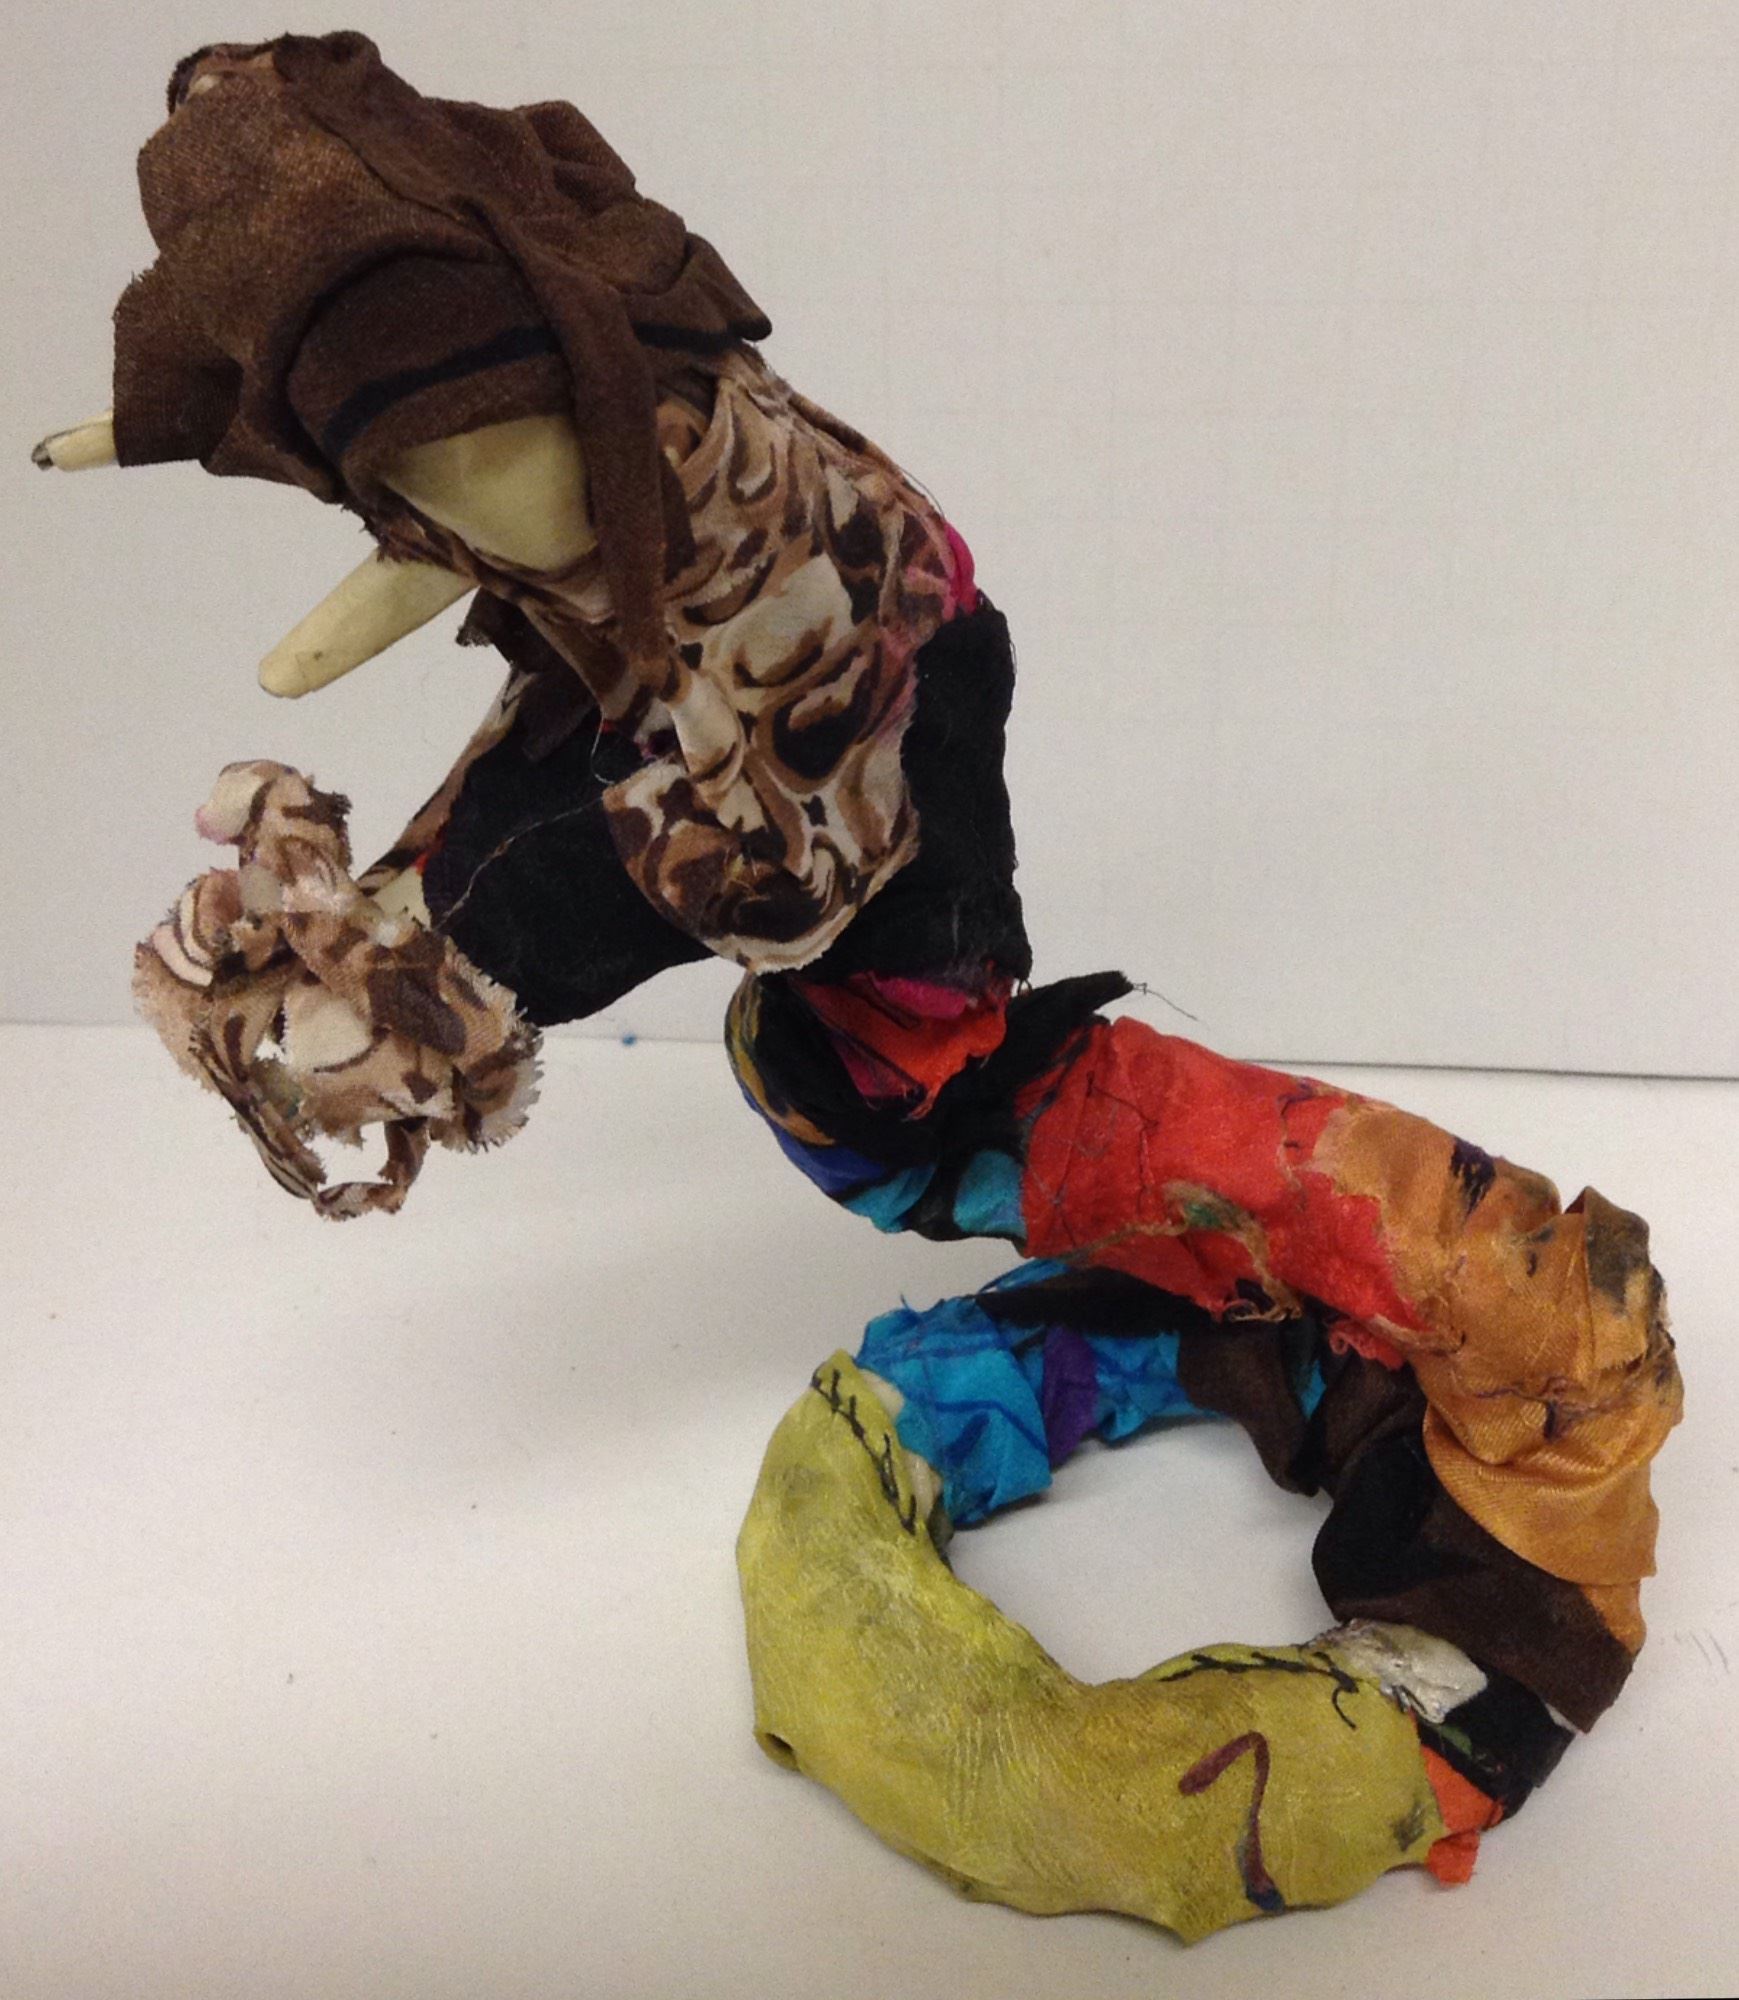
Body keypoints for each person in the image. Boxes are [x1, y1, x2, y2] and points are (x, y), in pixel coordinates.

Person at [40, 31, 1681, 1890]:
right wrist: (406, 910)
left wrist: (438, 974)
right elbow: (583, 708)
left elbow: (743, 844)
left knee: (896, 1097)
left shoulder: (810, 596)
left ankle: (1536, 1451)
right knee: (856, 1087)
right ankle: (1266, 1306)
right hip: (860, 939)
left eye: (459, 462)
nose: (459, 515)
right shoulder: (691, 533)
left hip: (897, 914)